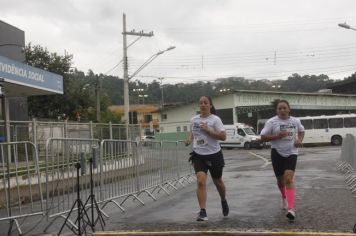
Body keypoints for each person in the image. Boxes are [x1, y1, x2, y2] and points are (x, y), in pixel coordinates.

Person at [185, 96, 229, 221]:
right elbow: (193, 132)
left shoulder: (215, 120)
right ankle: (203, 211)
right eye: (201, 103)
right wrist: (189, 139)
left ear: (210, 105)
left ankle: (223, 200)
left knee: (218, 182)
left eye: (205, 103)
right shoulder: (194, 120)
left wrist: (208, 130)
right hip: (198, 155)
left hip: (214, 154)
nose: (203, 105)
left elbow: (223, 137)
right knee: (200, 181)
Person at [260, 99, 305, 221]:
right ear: (277, 110)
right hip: (277, 153)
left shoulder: (295, 121)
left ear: (289, 109)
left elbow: (301, 131)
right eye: (280, 108)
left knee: (288, 179)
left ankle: (291, 208)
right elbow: (262, 137)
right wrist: (277, 136)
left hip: (291, 152)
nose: (282, 110)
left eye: (284, 108)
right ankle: (284, 197)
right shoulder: (271, 122)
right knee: (280, 181)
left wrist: (299, 140)